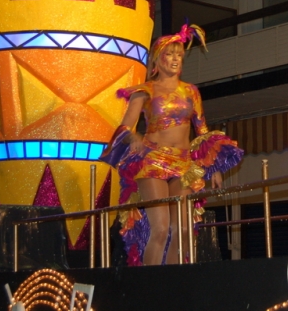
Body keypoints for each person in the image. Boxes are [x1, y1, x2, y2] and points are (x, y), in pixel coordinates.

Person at [100, 24, 243, 266]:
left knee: (184, 229)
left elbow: (203, 130)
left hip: (185, 163)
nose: (175, 59)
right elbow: (124, 127)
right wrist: (133, 138)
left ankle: (173, 280)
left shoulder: (191, 91)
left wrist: (214, 168)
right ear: (158, 58)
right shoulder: (144, 91)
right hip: (153, 161)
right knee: (161, 227)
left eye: (179, 55)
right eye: (170, 54)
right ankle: (152, 283)